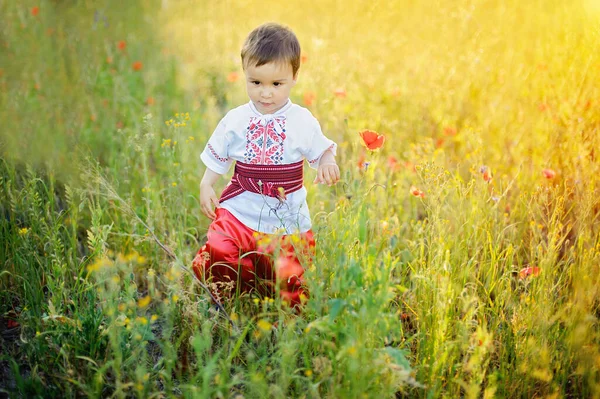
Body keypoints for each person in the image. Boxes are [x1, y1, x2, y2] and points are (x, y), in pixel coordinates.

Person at [192, 22, 340, 307]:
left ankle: (283, 316)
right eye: (255, 82)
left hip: (286, 214)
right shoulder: (236, 119)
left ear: (294, 77)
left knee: (289, 275)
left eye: (276, 84)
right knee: (221, 248)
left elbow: (321, 149)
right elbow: (219, 155)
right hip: (241, 208)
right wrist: (206, 182)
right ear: (245, 75)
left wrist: (327, 161)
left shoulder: (302, 120)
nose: (265, 93)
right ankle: (223, 299)